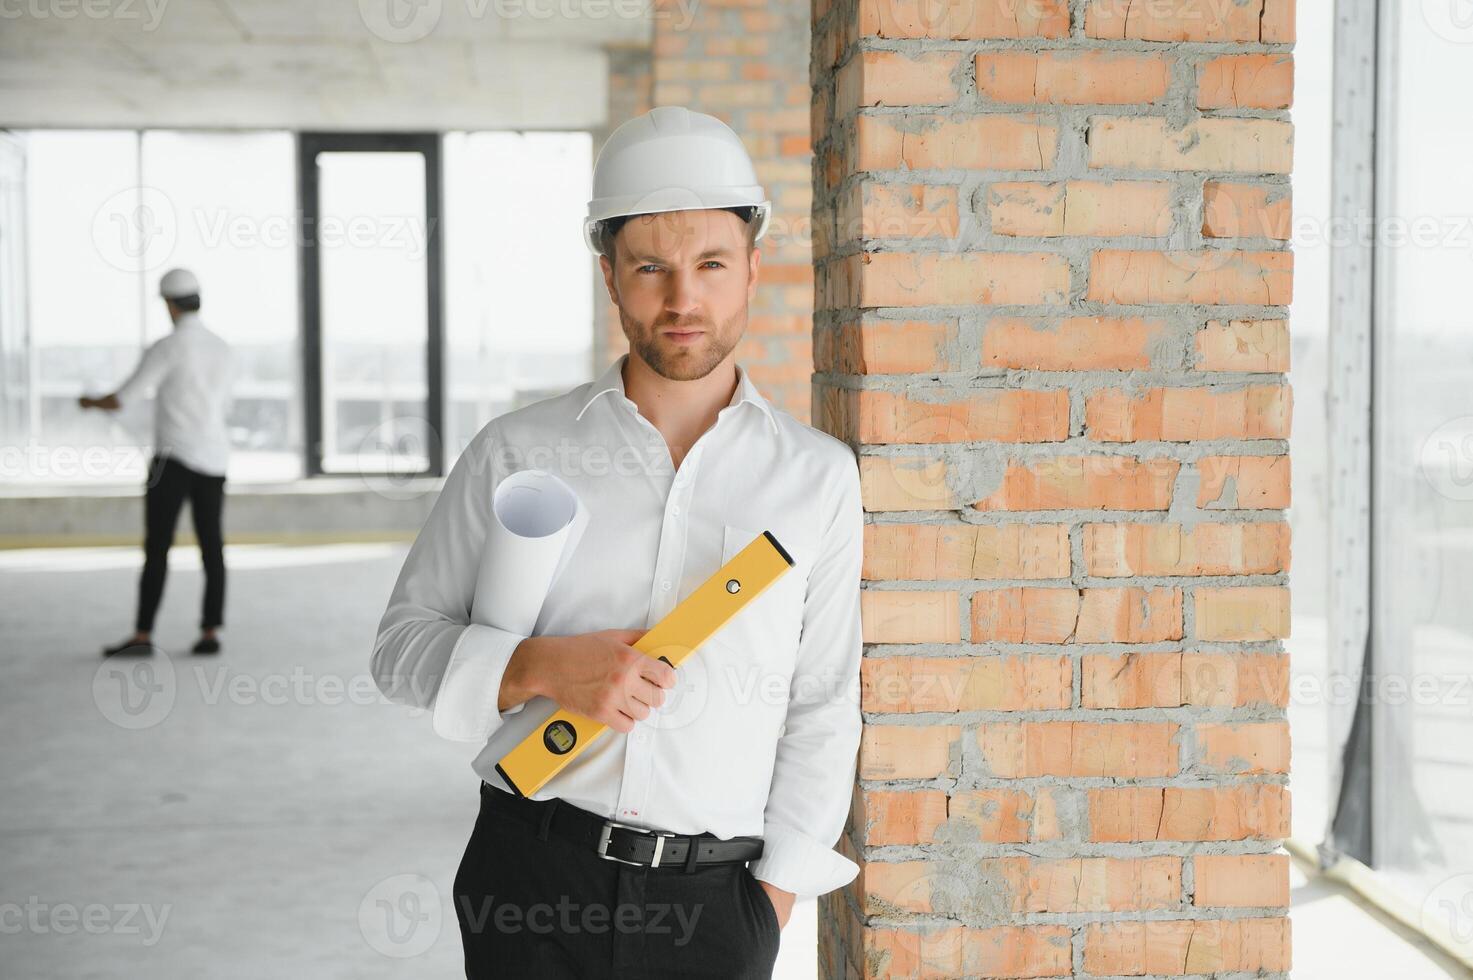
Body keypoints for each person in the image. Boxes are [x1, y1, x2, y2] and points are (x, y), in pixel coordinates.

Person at [371, 106, 863, 979]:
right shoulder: (518, 453)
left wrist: (771, 902)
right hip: (529, 874)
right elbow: (401, 651)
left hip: (716, 905)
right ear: (609, 276)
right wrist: (542, 668)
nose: (682, 299)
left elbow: (822, 704)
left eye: (711, 264)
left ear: (753, 269)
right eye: (650, 268)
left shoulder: (816, 478)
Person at [81, 268, 234, 658]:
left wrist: (90, 401)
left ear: (169, 304)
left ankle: (143, 635)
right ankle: (211, 632)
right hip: (215, 458)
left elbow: (123, 398)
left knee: (157, 548)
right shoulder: (222, 347)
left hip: (173, 460)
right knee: (212, 547)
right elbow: (225, 405)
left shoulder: (167, 347)